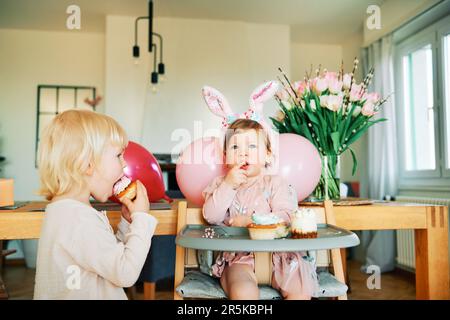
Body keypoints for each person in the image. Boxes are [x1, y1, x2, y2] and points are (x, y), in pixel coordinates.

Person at [34, 109, 157, 299]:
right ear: (87, 164)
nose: (124, 164)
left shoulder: (66, 212)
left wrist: (126, 224)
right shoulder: (80, 218)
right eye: (118, 155)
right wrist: (142, 218)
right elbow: (124, 273)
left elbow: (103, 259)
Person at [203, 119, 318, 300]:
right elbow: (211, 216)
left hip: (282, 258)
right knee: (242, 292)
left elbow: (287, 217)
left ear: (268, 155)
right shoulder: (221, 185)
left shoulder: (276, 184)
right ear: (225, 157)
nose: (243, 153)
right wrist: (228, 184)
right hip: (239, 257)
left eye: (252, 146)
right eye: (235, 148)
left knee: (300, 292)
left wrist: (251, 221)